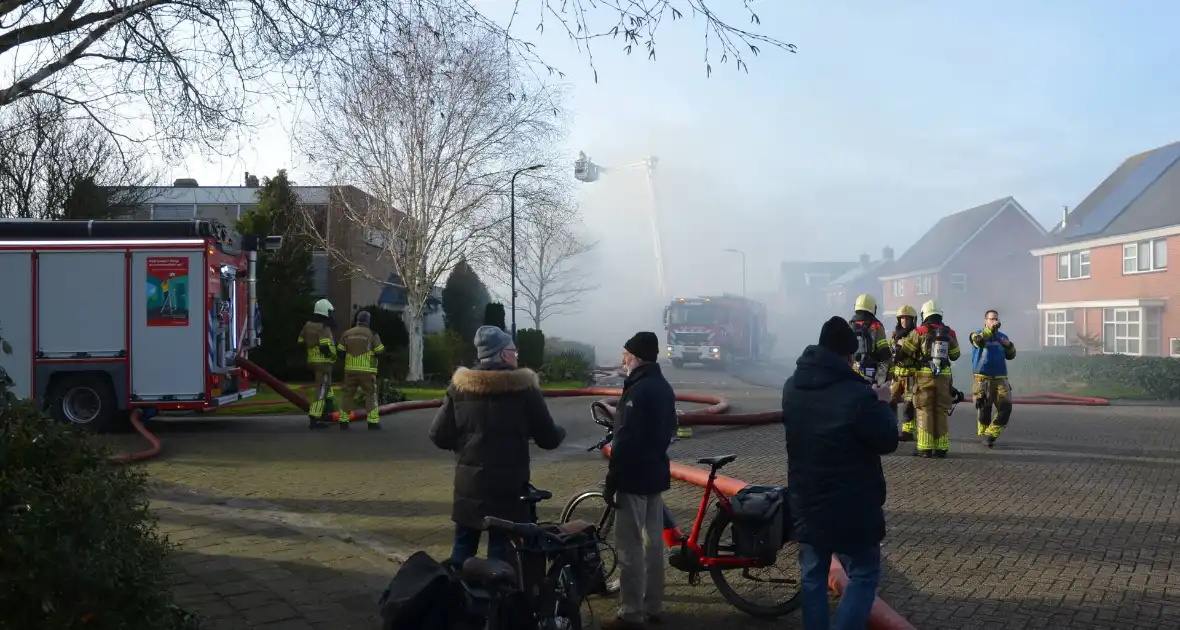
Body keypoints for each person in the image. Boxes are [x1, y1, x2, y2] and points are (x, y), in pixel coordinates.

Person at [782, 316, 898, 630]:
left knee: (813, 577)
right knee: (863, 573)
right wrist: (883, 404)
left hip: (805, 500)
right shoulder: (858, 395)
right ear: (848, 356)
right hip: (852, 504)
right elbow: (887, 440)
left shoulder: (793, 386)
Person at [428, 325, 566, 569]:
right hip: (509, 491)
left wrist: (464, 443)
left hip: (469, 489)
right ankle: (498, 605)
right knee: (502, 556)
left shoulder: (459, 388)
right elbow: (549, 439)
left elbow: (438, 435)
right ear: (503, 354)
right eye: (513, 351)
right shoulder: (524, 388)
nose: (516, 355)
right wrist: (561, 431)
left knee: (462, 550)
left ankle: (459, 601)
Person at [603, 332, 678, 630]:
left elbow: (626, 441)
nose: (622, 360)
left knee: (630, 548)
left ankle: (631, 614)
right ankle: (653, 606)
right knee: (652, 545)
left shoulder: (638, 390)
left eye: (625, 354)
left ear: (637, 358)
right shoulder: (663, 387)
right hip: (655, 475)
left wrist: (612, 480)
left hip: (633, 478)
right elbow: (667, 428)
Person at [896, 300, 961, 458]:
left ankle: (924, 448)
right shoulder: (950, 332)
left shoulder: (920, 331)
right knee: (940, 410)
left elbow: (905, 352)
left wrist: (900, 343)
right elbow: (955, 355)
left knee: (925, 409)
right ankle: (942, 447)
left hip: (924, 375)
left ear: (924, 314)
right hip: (944, 376)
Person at [969, 309, 1017, 448]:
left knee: (1006, 407)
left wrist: (1009, 345)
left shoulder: (1002, 336)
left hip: (1001, 378)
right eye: (991, 319)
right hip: (982, 378)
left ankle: (991, 435)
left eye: (996, 319)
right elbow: (978, 341)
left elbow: (1011, 355)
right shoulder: (977, 334)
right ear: (985, 321)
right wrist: (989, 330)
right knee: (984, 409)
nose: (994, 321)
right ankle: (984, 432)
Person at [337, 310, 385, 430]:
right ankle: (373, 422)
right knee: (370, 395)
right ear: (368, 321)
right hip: (366, 370)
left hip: (350, 370)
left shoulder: (347, 333)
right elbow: (380, 351)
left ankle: (343, 421)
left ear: (357, 320)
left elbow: (340, 351)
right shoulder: (372, 334)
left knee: (347, 396)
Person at [298, 298, 338, 429]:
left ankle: (329, 409)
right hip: (324, 362)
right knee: (321, 390)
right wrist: (333, 355)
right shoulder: (323, 327)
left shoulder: (308, 325)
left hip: (313, 361)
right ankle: (314, 419)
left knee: (327, 386)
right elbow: (325, 347)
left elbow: (300, 341)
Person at [889, 305, 919, 442]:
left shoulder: (916, 334)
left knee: (909, 402)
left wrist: (903, 344)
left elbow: (914, 351)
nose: (904, 321)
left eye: (907, 318)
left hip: (910, 374)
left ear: (913, 320)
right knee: (890, 399)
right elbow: (891, 351)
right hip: (897, 373)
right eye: (901, 318)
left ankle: (907, 431)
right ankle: (890, 427)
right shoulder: (894, 334)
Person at [849, 294, 892, 384]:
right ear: (873, 308)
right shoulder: (876, 326)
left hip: (853, 372)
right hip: (870, 372)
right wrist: (883, 379)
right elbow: (884, 352)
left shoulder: (849, 325)